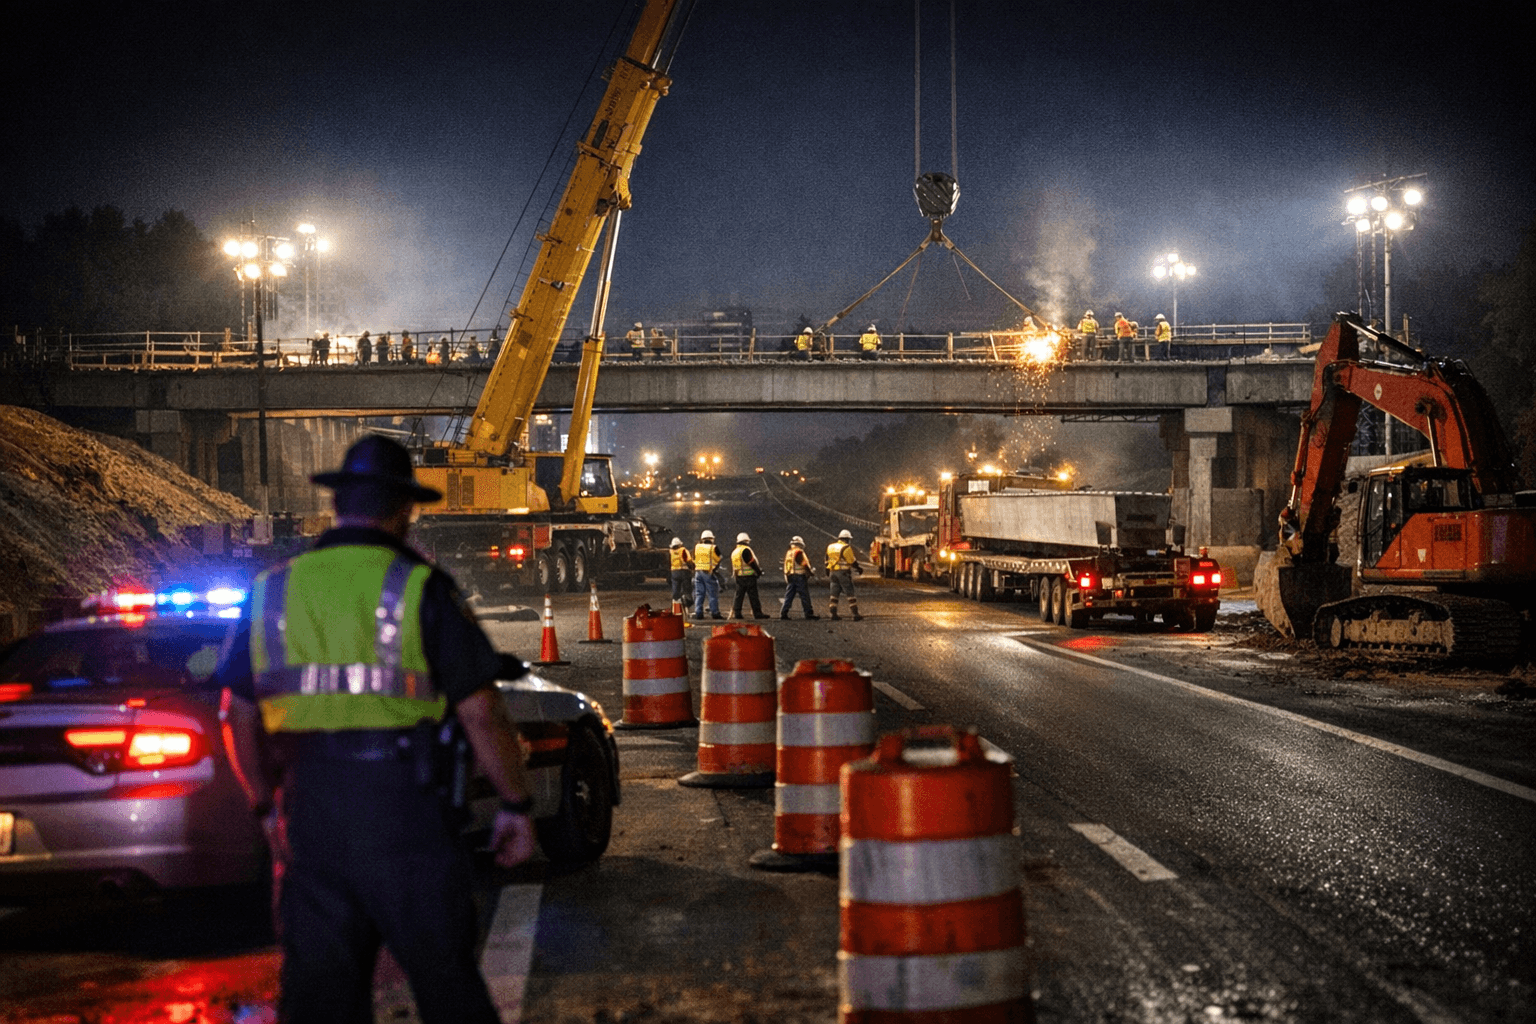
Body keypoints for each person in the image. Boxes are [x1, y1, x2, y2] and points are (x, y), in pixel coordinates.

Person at [213, 435, 536, 1024]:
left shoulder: (272, 590)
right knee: (446, 984)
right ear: (403, 509)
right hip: (406, 812)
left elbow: (235, 714)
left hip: (310, 811)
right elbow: (480, 711)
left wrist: (265, 807)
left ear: (338, 505)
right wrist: (515, 805)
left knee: (319, 999)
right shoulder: (419, 588)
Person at [825, 528, 864, 621]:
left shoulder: (830, 547)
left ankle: (833, 613)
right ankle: (855, 614)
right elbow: (851, 560)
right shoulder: (846, 548)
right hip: (843, 573)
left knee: (834, 594)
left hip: (833, 572)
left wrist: (827, 570)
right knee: (850, 593)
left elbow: (827, 560)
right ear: (847, 539)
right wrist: (859, 568)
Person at [730, 532, 768, 619]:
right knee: (753, 596)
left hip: (739, 576)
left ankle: (737, 613)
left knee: (739, 596)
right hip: (749, 576)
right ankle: (757, 613)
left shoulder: (735, 551)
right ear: (746, 541)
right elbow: (751, 562)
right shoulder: (745, 550)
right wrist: (758, 572)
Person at [780, 536, 819, 620]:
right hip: (799, 576)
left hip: (791, 576)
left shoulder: (789, 552)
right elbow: (802, 562)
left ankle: (784, 612)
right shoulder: (798, 552)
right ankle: (808, 613)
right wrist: (810, 571)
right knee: (804, 595)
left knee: (789, 596)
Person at [693, 529, 725, 620]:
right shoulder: (713, 547)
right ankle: (715, 613)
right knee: (712, 594)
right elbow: (720, 558)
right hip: (708, 573)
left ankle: (698, 613)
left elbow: (693, 558)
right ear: (712, 539)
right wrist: (715, 568)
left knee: (699, 594)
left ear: (702, 539)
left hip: (698, 573)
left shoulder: (697, 547)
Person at [668, 536, 694, 607]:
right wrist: (692, 568)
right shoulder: (683, 550)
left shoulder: (671, 551)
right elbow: (688, 560)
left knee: (676, 590)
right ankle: (687, 603)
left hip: (674, 572)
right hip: (684, 572)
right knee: (687, 589)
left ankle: (676, 606)